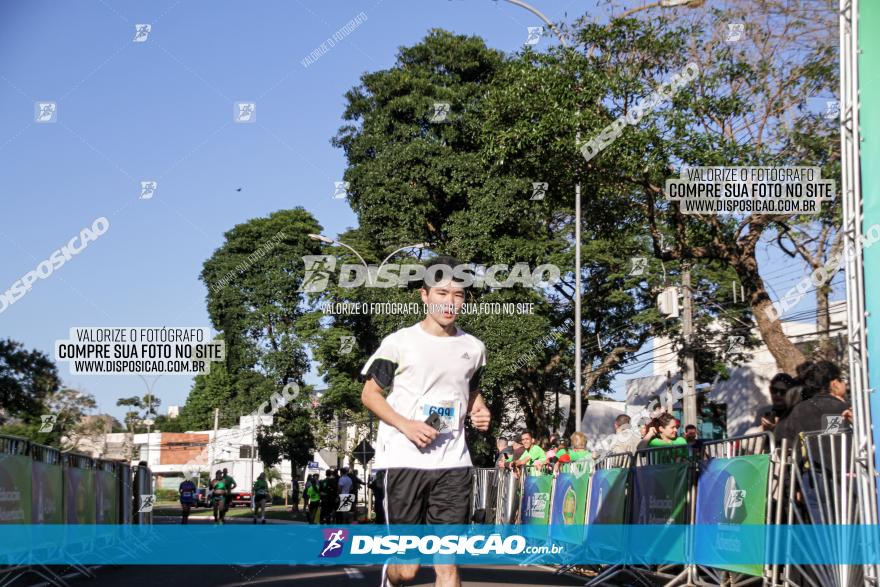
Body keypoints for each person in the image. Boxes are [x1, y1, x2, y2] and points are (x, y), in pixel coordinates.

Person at [359, 255, 491, 587]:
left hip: (453, 463)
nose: (450, 302)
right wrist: (406, 425)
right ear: (425, 295)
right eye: (442, 293)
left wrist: (480, 408)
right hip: (403, 461)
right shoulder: (399, 343)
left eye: (458, 295)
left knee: (447, 563)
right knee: (409, 569)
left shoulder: (474, 348)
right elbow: (370, 394)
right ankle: (391, 574)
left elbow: (471, 390)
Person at [775, 360, 851, 446]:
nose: (844, 383)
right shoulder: (842, 409)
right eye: (841, 379)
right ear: (834, 384)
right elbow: (834, 441)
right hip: (842, 458)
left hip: (806, 458)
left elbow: (779, 437)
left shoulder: (799, 409)